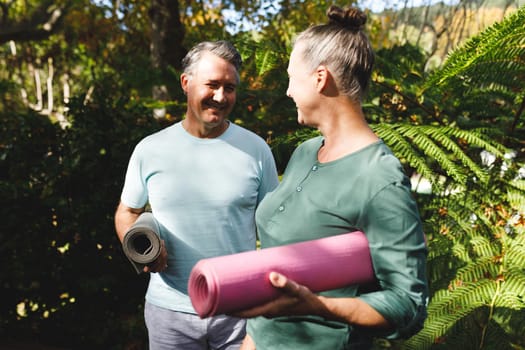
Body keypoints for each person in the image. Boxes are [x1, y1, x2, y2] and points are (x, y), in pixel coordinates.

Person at [233, 5, 429, 350]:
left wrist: (319, 306)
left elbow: (409, 305)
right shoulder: (306, 152)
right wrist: (251, 340)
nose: (288, 91)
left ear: (320, 78)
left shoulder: (378, 178)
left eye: (292, 77)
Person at [114, 40, 279, 350]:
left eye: (229, 87)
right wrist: (138, 248)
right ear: (186, 83)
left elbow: (277, 229)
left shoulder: (256, 150)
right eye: (212, 85)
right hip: (169, 313)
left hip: (240, 312)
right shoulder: (150, 150)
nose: (221, 96)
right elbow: (127, 212)